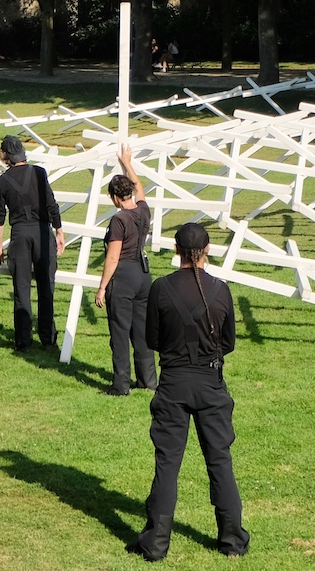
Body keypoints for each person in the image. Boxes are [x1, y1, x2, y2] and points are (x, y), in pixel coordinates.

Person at [133, 223, 249, 561]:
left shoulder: (161, 288)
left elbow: (152, 339)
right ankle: (232, 541)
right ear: (207, 251)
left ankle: (156, 544)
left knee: (168, 463)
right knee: (220, 460)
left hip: (173, 382)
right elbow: (228, 342)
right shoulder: (221, 290)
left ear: (176, 250)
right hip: (210, 382)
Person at [0, 134, 64, 350]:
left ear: (5, 157)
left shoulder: (2, 181)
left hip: (20, 234)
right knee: (46, 286)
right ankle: (48, 338)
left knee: (21, 288)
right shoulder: (39, 173)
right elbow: (51, 204)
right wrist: (59, 231)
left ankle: (23, 340)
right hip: (42, 231)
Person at [95, 143, 156, 396]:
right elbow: (140, 188)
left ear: (114, 198)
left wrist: (102, 287)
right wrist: (128, 163)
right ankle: (148, 380)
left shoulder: (119, 220)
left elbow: (112, 257)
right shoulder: (143, 211)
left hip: (124, 276)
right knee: (142, 330)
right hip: (143, 275)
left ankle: (120, 385)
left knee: (119, 331)